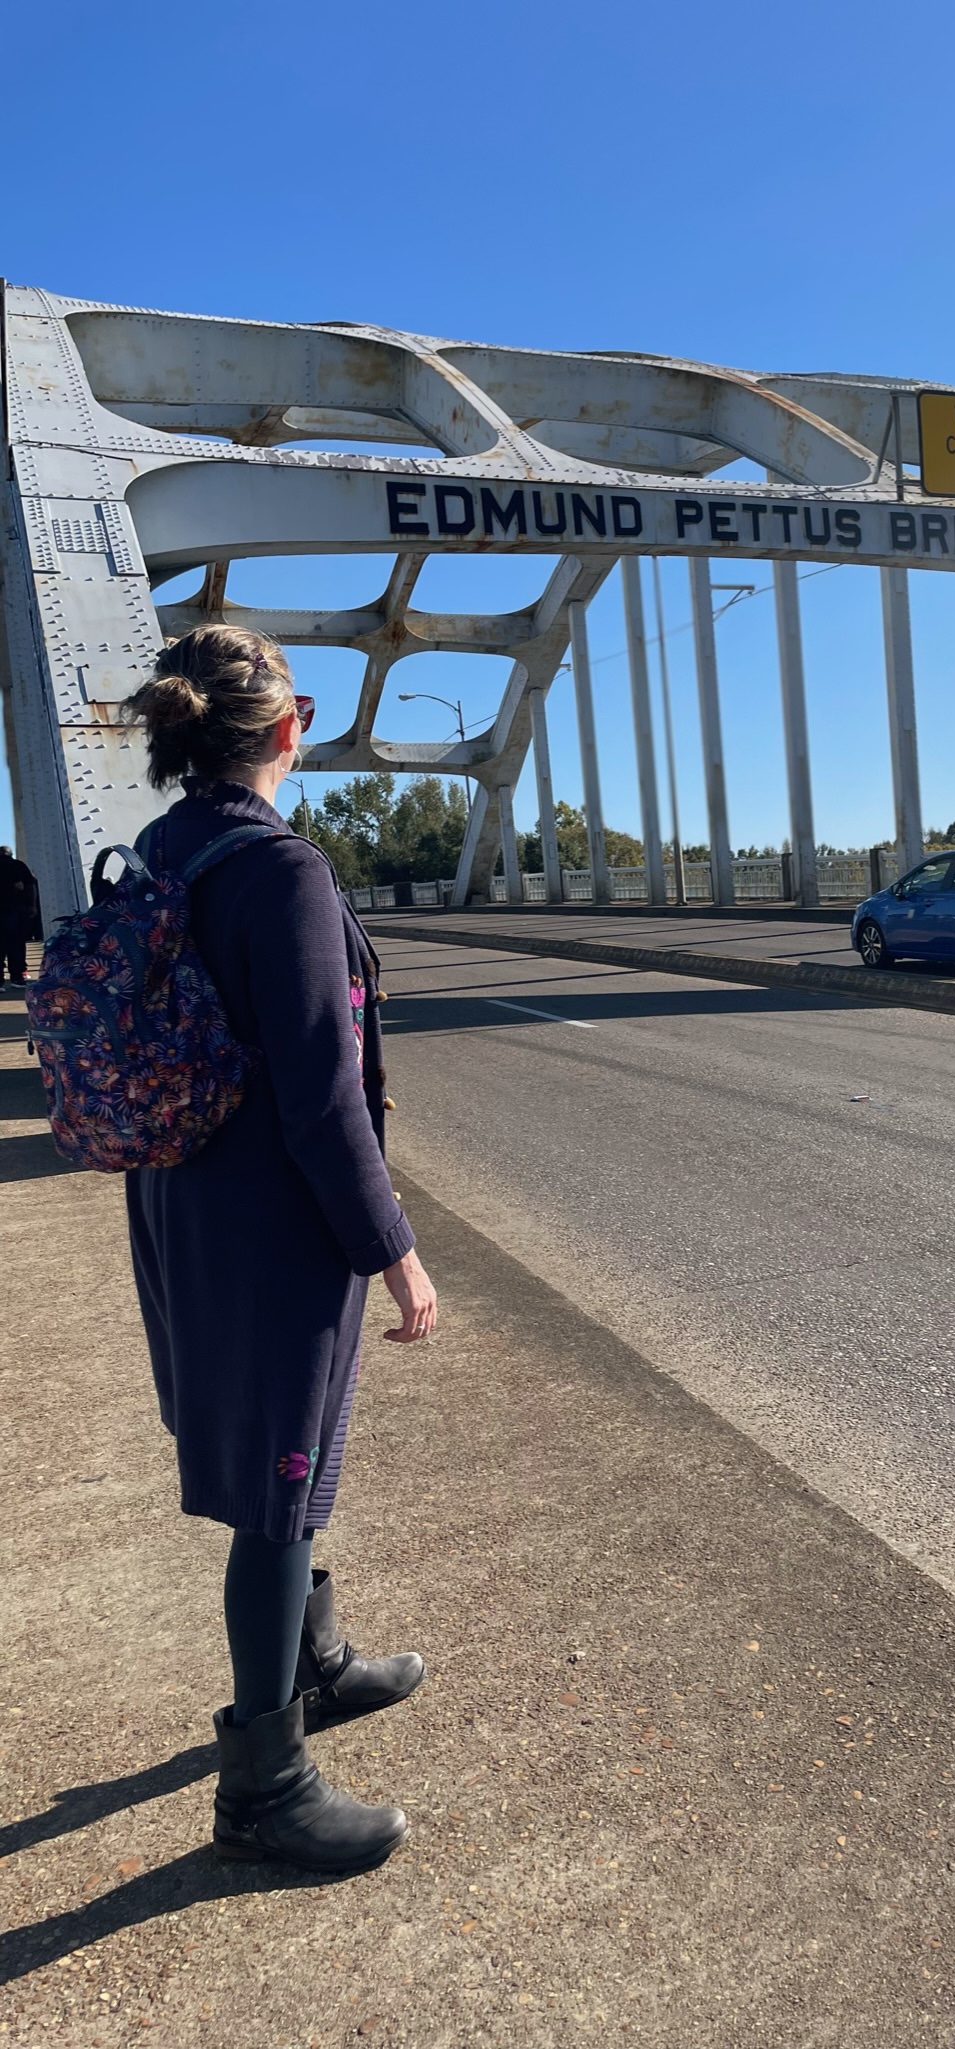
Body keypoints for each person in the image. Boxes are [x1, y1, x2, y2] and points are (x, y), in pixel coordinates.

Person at [121, 625, 438, 1874]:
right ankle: (264, 1788)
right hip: (273, 1223)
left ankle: (312, 1663)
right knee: (277, 1487)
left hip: (184, 1202)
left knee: (281, 1464)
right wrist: (394, 1247)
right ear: (289, 728)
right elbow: (322, 1098)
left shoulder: (164, 850)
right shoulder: (281, 871)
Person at [0, 843, 38, 984]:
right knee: (16, 943)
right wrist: (32, 906)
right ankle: (17, 977)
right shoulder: (17, 865)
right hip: (15, 910)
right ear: (10, 854)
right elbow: (28, 886)